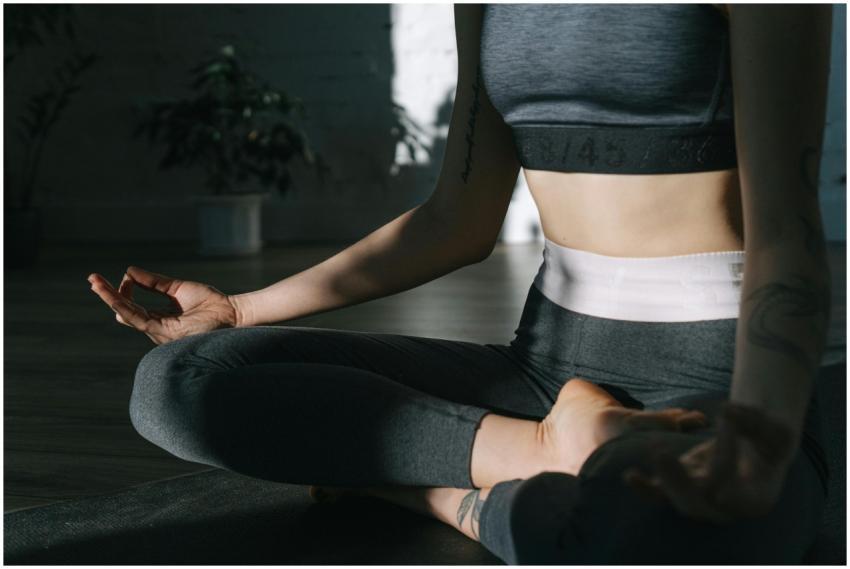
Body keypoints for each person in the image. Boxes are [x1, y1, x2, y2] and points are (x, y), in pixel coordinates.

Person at [88, 3, 834, 563]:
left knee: (656, 523)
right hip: (541, 367)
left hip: (703, 372)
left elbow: (787, 232)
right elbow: (459, 217)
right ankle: (540, 453)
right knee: (176, 382)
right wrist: (241, 308)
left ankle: (438, 493)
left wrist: (762, 439)